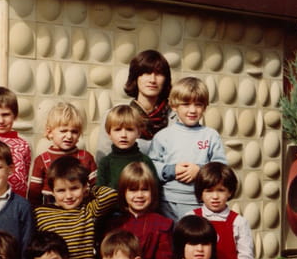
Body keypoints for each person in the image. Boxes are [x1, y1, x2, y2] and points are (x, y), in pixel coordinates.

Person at [149, 77, 227, 221]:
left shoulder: (211, 135)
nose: (192, 110)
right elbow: (151, 166)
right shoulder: (163, 136)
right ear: (174, 106)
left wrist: (200, 171)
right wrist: (171, 170)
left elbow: (221, 168)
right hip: (167, 203)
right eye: (186, 104)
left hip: (200, 203)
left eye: (198, 105)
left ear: (205, 107)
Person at [33, 156, 117, 259]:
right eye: (61, 190)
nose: (68, 196)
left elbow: (111, 194)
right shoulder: (40, 213)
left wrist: (88, 189)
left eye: (74, 188)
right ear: (52, 192)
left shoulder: (88, 209)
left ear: (84, 187)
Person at [103, 161, 173, 259]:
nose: (139, 195)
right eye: (133, 190)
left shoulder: (161, 224)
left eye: (145, 189)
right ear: (123, 192)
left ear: (153, 192)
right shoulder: (113, 224)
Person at [95, 50, 174, 163]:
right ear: (135, 77)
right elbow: (103, 159)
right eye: (146, 73)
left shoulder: (177, 118)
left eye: (159, 74)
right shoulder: (113, 115)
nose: (152, 80)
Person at [191, 162, 256, 259]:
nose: (215, 197)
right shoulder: (191, 218)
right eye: (209, 191)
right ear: (200, 193)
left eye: (221, 190)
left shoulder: (238, 222)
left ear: (230, 192)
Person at [28, 102, 96, 206]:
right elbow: (34, 194)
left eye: (74, 132)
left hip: (81, 210)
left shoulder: (85, 157)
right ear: (50, 132)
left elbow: (96, 187)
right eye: (63, 131)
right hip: (51, 209)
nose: (69, 136)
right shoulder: (41, 160)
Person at [95, 104, 159, 190]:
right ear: (109, 133)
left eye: (129, 129)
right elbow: (99, 192)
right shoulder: (106, 163)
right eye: (117, 129)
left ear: (138, 133)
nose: (123, 135)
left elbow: (155, 191)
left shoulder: (145, 161)